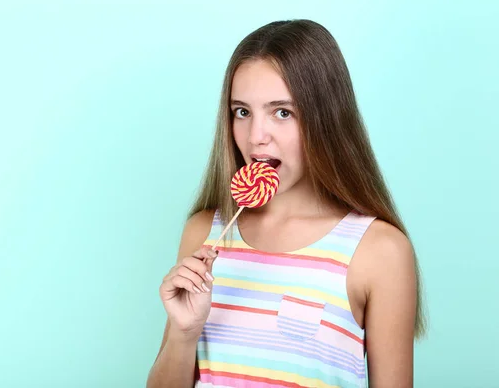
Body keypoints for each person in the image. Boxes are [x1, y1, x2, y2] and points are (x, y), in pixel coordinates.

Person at [146, 19, 426, 388]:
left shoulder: (379, 251)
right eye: (242, 112)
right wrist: (184, 333)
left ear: (325, 119)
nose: (256, 137)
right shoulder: (205, 232)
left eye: (282, 112)